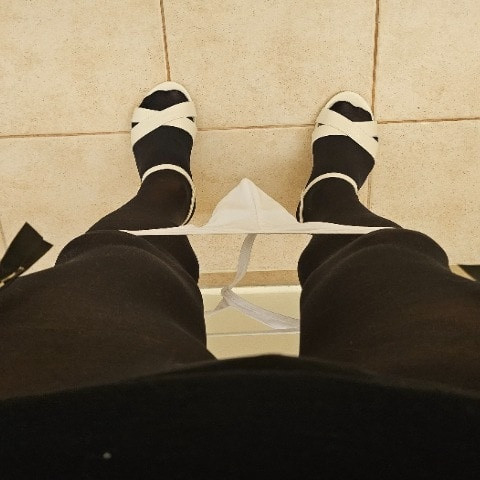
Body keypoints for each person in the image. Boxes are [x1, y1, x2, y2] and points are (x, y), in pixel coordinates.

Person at [1, 82, 480, 478]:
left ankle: (166, 189)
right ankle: (331, 195)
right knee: (395, 268)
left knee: (108, 268)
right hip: (440, 433)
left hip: (55, 433)